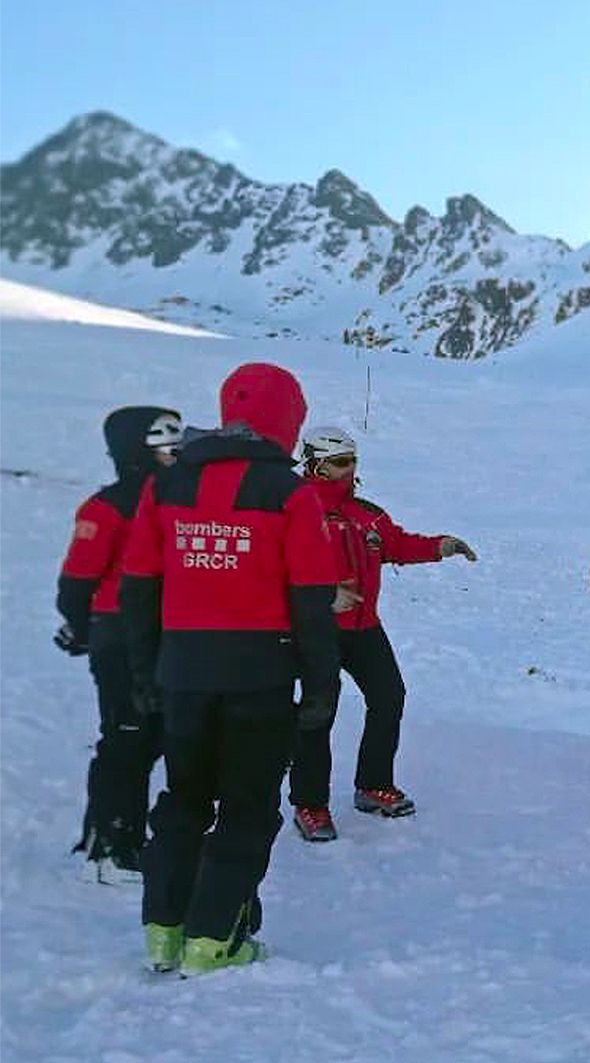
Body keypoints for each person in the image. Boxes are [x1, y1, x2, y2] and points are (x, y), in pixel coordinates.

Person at [122, 363, 340, 975]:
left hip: (182, 674)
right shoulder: (290, 494)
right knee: (246, 808)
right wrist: (321, 685)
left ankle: (163, 932)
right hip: (258, 677)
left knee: (183, 801)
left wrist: (144, 672)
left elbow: (139, 585)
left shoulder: (166, 486)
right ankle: (214, 940)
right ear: (286, 421)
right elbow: (312, 599)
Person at [286, 426, 475, 841]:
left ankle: (372, 784)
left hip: (364, 626)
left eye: (353, 461)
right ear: (315, 464)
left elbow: (395, 544)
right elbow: (281, 568)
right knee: (320, 711)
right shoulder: (297, 511)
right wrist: (323, 595)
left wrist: (439, 546)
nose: (349, 470)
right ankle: (310, 804)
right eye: (339, 462)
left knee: (389, 697)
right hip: (317, 628)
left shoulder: (366, 513)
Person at [58, 405, 182, 882]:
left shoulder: (180, 498)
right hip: (121, 633)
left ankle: (126, 834)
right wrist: (84, 629)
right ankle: (112, 840)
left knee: (157, 736)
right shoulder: (107, 507)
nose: (175, 452)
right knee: (128, 736)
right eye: (163, 444)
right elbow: (76, 582)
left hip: (169, 631)